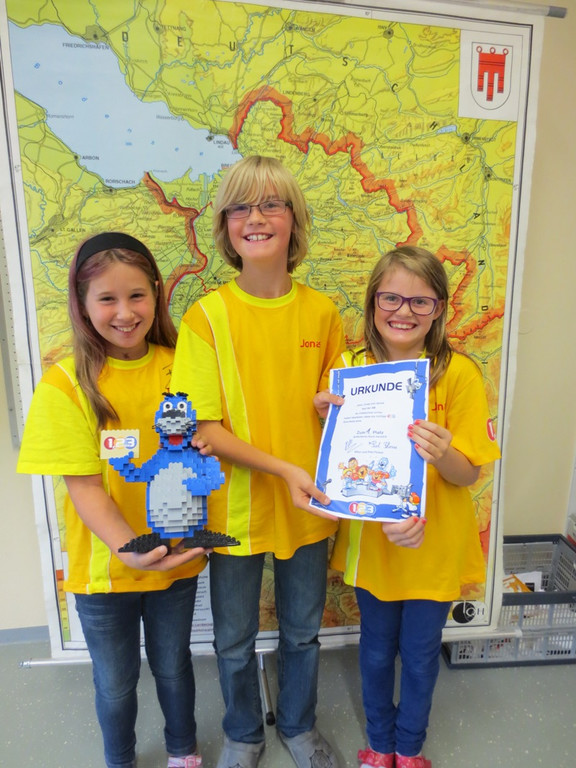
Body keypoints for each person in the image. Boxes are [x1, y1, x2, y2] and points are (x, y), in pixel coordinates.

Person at [170, 155, 346, 768]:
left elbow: (338, 412)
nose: (256, 217)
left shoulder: (323, 313)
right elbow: (204, 430)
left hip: (309, 506)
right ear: (225, 225)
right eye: (240, 206)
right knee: (233, 640)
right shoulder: (206, 316)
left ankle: (298, 726)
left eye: (272, 204)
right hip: (236, 511)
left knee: (302, 632)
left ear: (295, 220)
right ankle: (243, 735)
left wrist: (331, 408)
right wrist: (285, 470)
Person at [17, 232, 210, 768]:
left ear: (156, 293)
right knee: (116, 680)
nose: (125, 313)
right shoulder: (65, 385)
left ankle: (183, 752)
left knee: (174, 666)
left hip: (175, 561)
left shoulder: (184, 366)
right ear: (82, 305)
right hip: (104, 573)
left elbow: (212, 443)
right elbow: (85, 488)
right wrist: (132, 551)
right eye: (107, 298)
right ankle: (120, 760)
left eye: (136, 295)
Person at [319, 246, 501, 768]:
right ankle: (380, 745)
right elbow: (334, 458)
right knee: (376, 651)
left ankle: (409, 747)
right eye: (391, 298)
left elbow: (469, 474)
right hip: (373, 546)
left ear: (440, 307)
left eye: (421, 301)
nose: (404, 311)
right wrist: (322, 414)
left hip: (434, 546)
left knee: (420, 656)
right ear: (373, 301)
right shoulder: (349, 369)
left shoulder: (458, 373)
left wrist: (444, 455)